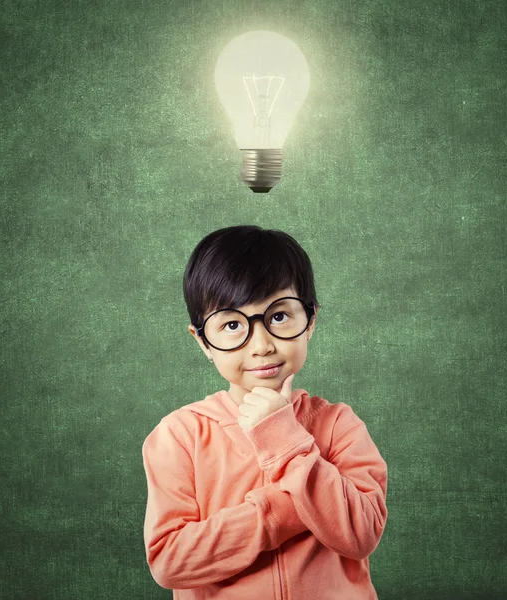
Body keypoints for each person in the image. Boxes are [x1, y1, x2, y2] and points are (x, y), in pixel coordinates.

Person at [142, 225, 388, 599]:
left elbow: (361, 534)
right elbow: (170, 560)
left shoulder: (338, 424)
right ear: (203, 342)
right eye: (231, 324)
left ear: (311, 321)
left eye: (278, 317)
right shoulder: (179, 435)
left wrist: (287, 440)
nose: (261, 346)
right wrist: (284, 511)